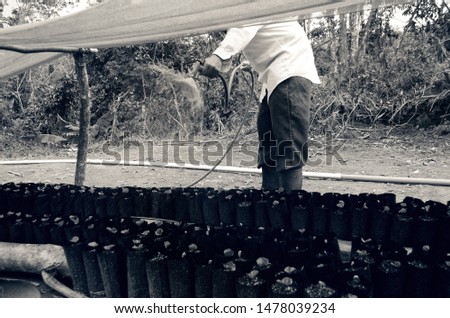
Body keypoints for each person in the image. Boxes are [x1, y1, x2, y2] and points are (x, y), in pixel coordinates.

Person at [201, 16, 320, 192]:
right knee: (269, 141)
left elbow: (243, 25)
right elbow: (268, 37)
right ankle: (269, 203)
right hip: (275, 76)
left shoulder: (251, 7)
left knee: (289, 145)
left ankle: (293, 209)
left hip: (289, 69)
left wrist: (219, 55)